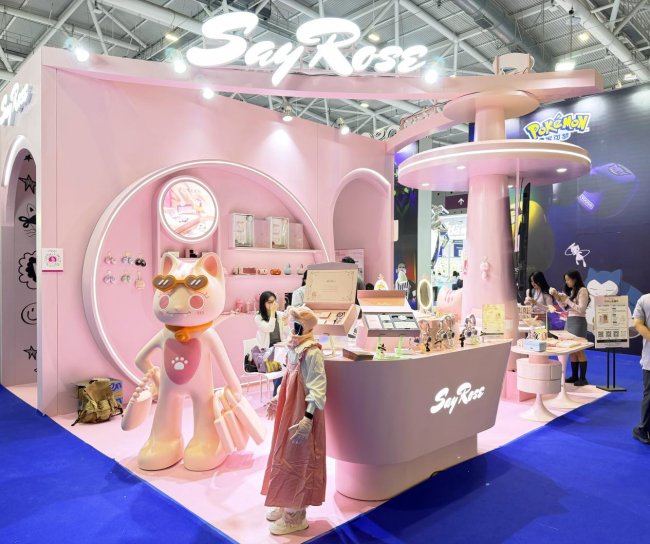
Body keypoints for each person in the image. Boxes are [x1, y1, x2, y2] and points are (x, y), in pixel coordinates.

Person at [262, 306, 326, 535]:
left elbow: (317, 388)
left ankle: (296, 516)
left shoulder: (312, 352)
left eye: (296, 325)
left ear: (306, 326)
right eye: (290, 324)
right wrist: (277, 398)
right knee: (283, 454)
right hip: (289, 407)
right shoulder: (292, 347)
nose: (292, 329)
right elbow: (289, 375)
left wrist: (308, 418)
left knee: (299, 457)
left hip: (302, 410)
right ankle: (284, 500)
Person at [550, 270, 590, 386]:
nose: (566, 282)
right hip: (570, 321)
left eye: (568, 279)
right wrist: (558, 298)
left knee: (579, 349)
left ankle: (583, 378)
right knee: (572, 350)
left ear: (575, 279)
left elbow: (581, 309)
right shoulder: (572, 291)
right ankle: (574, 376)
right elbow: (565, 309)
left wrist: (567, 299)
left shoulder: (582, 290)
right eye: (565, 280)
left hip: (579, 322)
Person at [254, 291, 288, 396]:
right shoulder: (258, 318)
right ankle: (277, 396)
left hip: (280, 348)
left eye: (274, 302)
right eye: (269, 302)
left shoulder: (280, 315)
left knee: (290, 362)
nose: (273, 304)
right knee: (280, 366)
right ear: (263, 303)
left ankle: (281, 395)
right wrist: (273, 313)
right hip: (266, 352)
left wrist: (286, 323)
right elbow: (269, 328)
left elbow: (286, 333)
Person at [632, 293, 650, 444]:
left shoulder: (645, 299)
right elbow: (638, 324)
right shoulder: (645, 300)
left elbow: (637, 324)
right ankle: (643, 428)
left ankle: (643, 428)